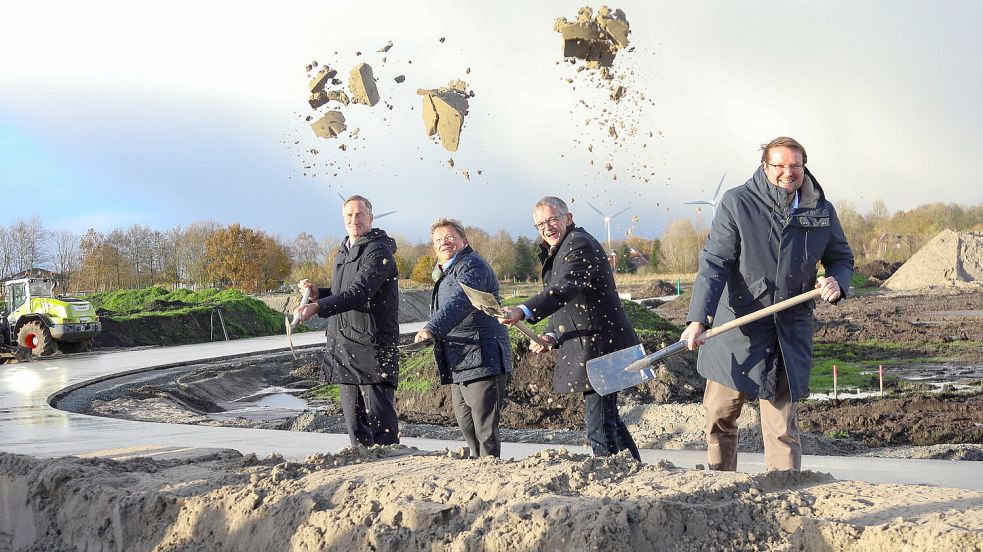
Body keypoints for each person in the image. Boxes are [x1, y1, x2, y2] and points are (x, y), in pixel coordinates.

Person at [681, 136, 854, 471]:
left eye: (795, 166)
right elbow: (715, 263)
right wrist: (698, 318)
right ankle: (720, 486)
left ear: (804, 166)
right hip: (737, 328)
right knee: (720, 416)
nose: (788, 173)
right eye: (780, 165)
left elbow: (842, 259)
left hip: (788, 331)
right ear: (765, 166)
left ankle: (783, 496)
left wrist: (837, 281)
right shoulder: (738, 203)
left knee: (782, 427)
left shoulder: (820, 210)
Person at [498, 196, 641, 461]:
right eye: (540, 224)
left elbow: (564, 288)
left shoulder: (578, 243)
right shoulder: (564, 247)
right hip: (595, 346)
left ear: (568, 218)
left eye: (552, 219)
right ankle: (633, 472)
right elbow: (567, 300)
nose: (547, 227)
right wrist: (552, 333)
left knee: (599, 428)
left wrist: (524, 310)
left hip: (601, 348)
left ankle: (614, 481)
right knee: (609, 421)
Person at [296, 194, 400, 447]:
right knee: (355, 424)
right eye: (349, 215)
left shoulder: (379, 251)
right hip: (344, 346)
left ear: (371, 218)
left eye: (360, 214)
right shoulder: (343, 252)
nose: (354, 219)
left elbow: (361, 292)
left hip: (373, 346)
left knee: (380, 424)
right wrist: (320, 293)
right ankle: (363, 472)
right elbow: (343, 291)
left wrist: (318, 307)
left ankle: (390, 471)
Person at [414, 218, 513, 458]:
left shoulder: (472, 266)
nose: (443, 243)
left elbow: (461, 301)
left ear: (463, 240)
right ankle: (478, 472)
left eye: (449, 237)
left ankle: (491, 476)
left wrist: (432, 328)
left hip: (483, 357)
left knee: (485, 431)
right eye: (438, 240)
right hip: (459, 360)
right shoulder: (446, 272)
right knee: (467, 427)